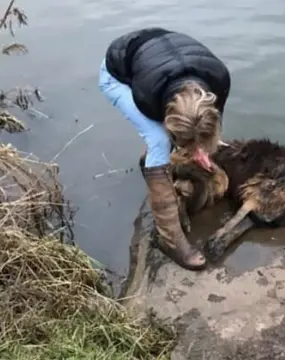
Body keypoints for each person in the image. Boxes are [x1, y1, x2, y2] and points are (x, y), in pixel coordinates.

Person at [98, 27, 231, 271]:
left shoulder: (220, 79)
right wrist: (174, 148)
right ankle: (168, 240)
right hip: (116, 73)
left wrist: (200, 149)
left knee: (176, 140)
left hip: (159, 58)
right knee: (158, 140)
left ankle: (149, 161)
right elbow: (163, 128)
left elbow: (209, 122)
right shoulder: (148, 96)